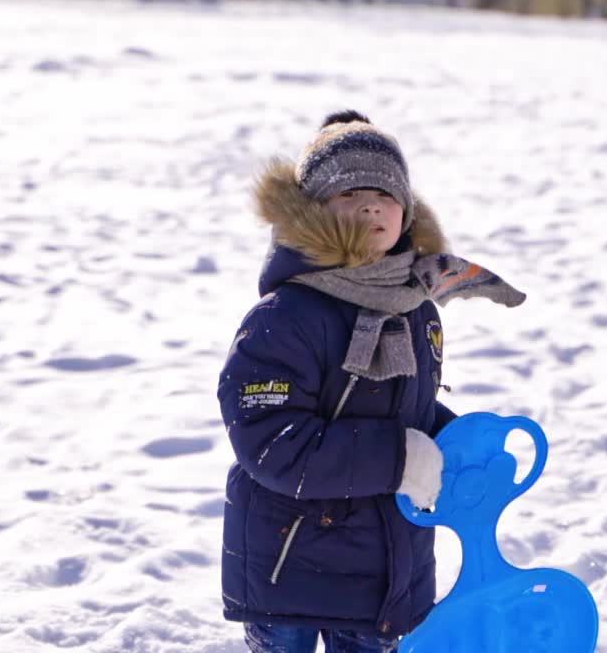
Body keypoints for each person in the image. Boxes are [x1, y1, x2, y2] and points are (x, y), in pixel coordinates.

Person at [218, 110, 526, 652]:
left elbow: (411, 412)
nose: (369, 206)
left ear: (405, 212)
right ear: (314, 213)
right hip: (289, 564)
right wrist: (400, 459)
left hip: (384, 563)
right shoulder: (285, 317)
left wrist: (458, 447)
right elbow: (270, 442)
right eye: (347, 195)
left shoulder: (416, 309)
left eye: (383, 195)